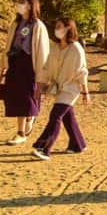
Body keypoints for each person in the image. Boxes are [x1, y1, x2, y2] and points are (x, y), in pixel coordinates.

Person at [31, 18, 89, 160]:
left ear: (68, 28)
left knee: (56, 115)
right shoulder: (54, 48)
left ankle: (44, 148)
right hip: (58, 87)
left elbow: (82, 71)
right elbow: (46, 68)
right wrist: (40, 86)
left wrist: (85, 92)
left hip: (71, 88)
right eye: (56, 26)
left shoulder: (76, 49)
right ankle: (78, 144)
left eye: (59, 26)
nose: (57, 29)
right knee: (68, 117)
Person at [0, 0, 49, 145]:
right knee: (15, 97)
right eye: (19, 1)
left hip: (29, 64)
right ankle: (27, 121)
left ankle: (21, 132)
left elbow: (42, 52)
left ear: (30, 5)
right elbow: (8, 45)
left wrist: (42, 74)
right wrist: (4, 66)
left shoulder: (38, 25)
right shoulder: (16, 24)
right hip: (15, 63)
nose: (19, 5)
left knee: (26, 97)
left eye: (23, 2)